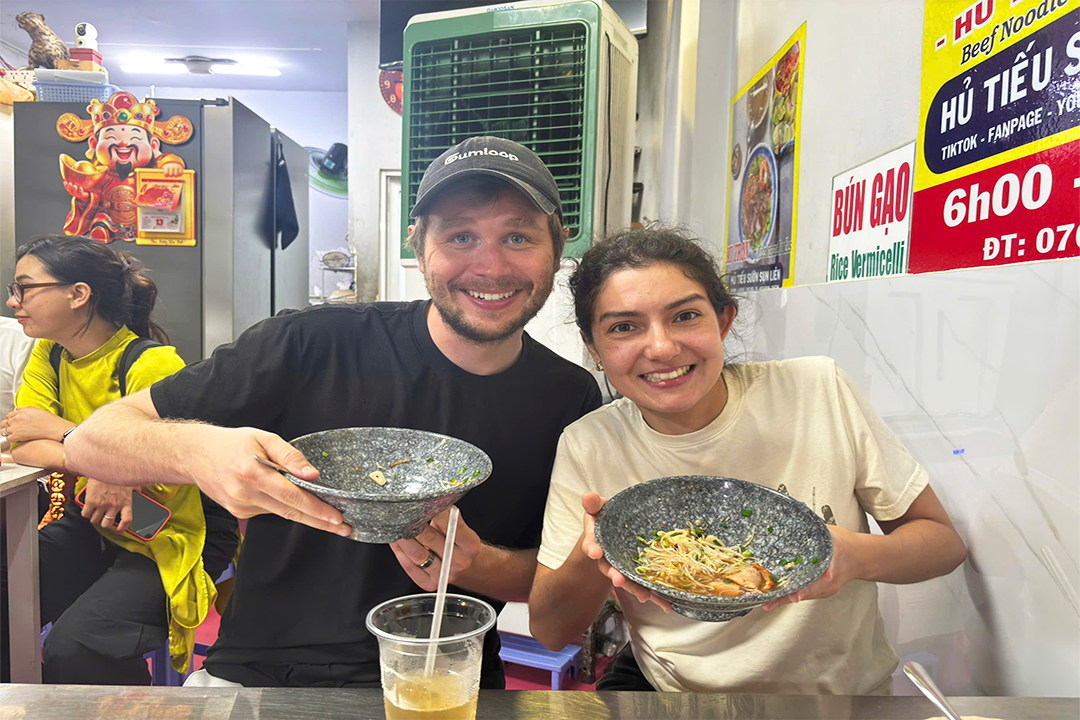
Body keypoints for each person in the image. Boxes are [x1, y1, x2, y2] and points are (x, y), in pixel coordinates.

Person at [63, 136, 602, 688]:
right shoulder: (312, 342)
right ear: (418, 246)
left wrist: (476, 562)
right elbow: (89, 440)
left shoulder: (569, 397)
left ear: (557, 248)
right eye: (460, 235)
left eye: (518, 236)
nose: (490, 266)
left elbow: (548, 582)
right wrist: (200, 450)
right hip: (263, 674)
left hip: (444, 681)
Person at [528, 226, 967, 695]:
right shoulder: (589, 443)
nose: (660, 347)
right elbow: (551, 632)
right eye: (623, 327)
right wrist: (591, 550)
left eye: (685, 316)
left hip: (835, 698)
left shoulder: (818, 390)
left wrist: (855, 556)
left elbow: (943, 545)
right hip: (675, 695)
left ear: (723, 321)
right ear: (593, 349)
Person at [0, 235, 239, 684]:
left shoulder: (152, 365)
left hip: (173, 528)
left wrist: (73, 439)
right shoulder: (49, 355)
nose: (15, 301)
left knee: (76, 647)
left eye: (25, 287)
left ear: (78, 293)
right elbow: (24, 441)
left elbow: (170, 466)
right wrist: (103, 464)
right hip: (97, 515)